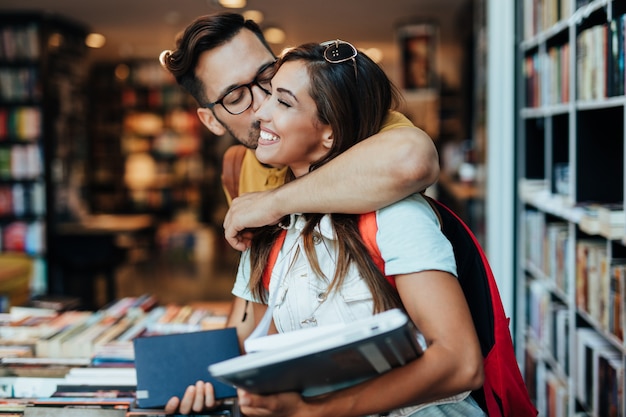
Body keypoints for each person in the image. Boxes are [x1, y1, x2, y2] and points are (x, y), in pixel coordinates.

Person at [160, 13, 440, 414]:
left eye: (267, 76)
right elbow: (257, 311)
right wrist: (203, 382)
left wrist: (273, 203)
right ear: (211, 119)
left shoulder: (352, 123)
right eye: (236, 97)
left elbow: (413, 161)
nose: (261, 105)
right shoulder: (243, 170)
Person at [228, 41, 484, 416]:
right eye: (268, 96)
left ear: (329, 132)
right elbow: (267, 354)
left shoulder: (394, 215)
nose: (261, 113)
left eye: (282, 102)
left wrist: (313, 411)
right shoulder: (275, 228)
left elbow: (461, 362)